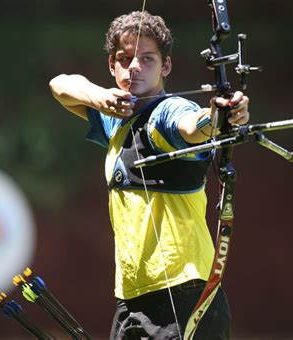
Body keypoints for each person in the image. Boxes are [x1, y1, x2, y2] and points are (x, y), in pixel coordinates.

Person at [50, 10, 249, 339]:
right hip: (131, 298)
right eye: (125, 59)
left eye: (147, 58)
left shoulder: (167, 113)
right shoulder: (115, 119)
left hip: (182, 296)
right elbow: (60, 85)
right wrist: (101, 98)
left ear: (166, 66)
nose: (134, 68)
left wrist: (218, 117)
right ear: (112, 64)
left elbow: (191, 125)